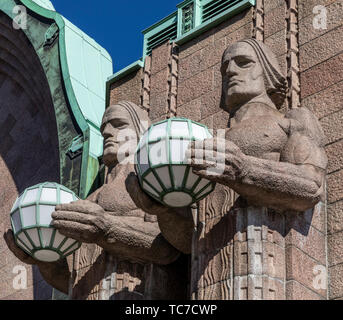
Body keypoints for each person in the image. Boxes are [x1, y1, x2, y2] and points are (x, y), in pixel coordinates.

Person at [5, 101, 193, 296]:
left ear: (141, 129)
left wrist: (107, 228)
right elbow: (69, 281)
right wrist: (45, 257)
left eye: (118, 124)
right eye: (104, 129)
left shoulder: (154, 179)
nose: (107, 133)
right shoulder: (92, 197)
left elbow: (170, 247)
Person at [186, 39, 327, 212]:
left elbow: (313, 185)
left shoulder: (293, 119)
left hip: (271, 234)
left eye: (243, 63)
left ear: (267, 72)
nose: (230, 71)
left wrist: (244, 170)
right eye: (224, 69)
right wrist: (161, 206)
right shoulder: (213, 137)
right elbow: (189, 231)